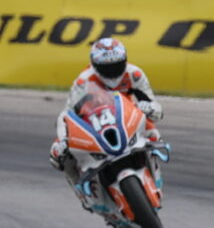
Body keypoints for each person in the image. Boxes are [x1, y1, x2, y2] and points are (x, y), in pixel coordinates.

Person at [48, 38, 164, 195]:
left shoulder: (134, 74)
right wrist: (63, 141)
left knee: (153, 134)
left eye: (117, 66)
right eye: (106, 68)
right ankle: (80, 188)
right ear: (94, 65)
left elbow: (156, 110)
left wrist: (149, 107)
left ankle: (155, 180)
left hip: (128, 118)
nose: (113, 72)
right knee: (62, 153)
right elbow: (67, 116)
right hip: (96, 122)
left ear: (125, 60)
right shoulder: (84, 81)